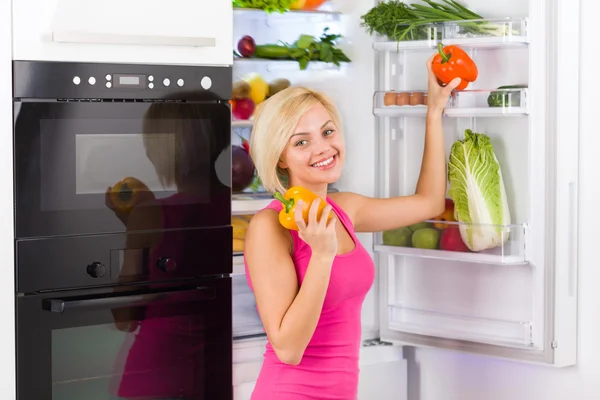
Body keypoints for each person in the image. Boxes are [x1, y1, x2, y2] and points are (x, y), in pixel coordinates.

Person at [243, 54, 461, 399]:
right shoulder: (270, 227)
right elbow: (288, 349)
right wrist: (322, 255)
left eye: (328, 131)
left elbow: (429, 203)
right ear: (280, 157)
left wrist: (433, 113)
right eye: (302, 141)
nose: (323, 148)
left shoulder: (344, 209)